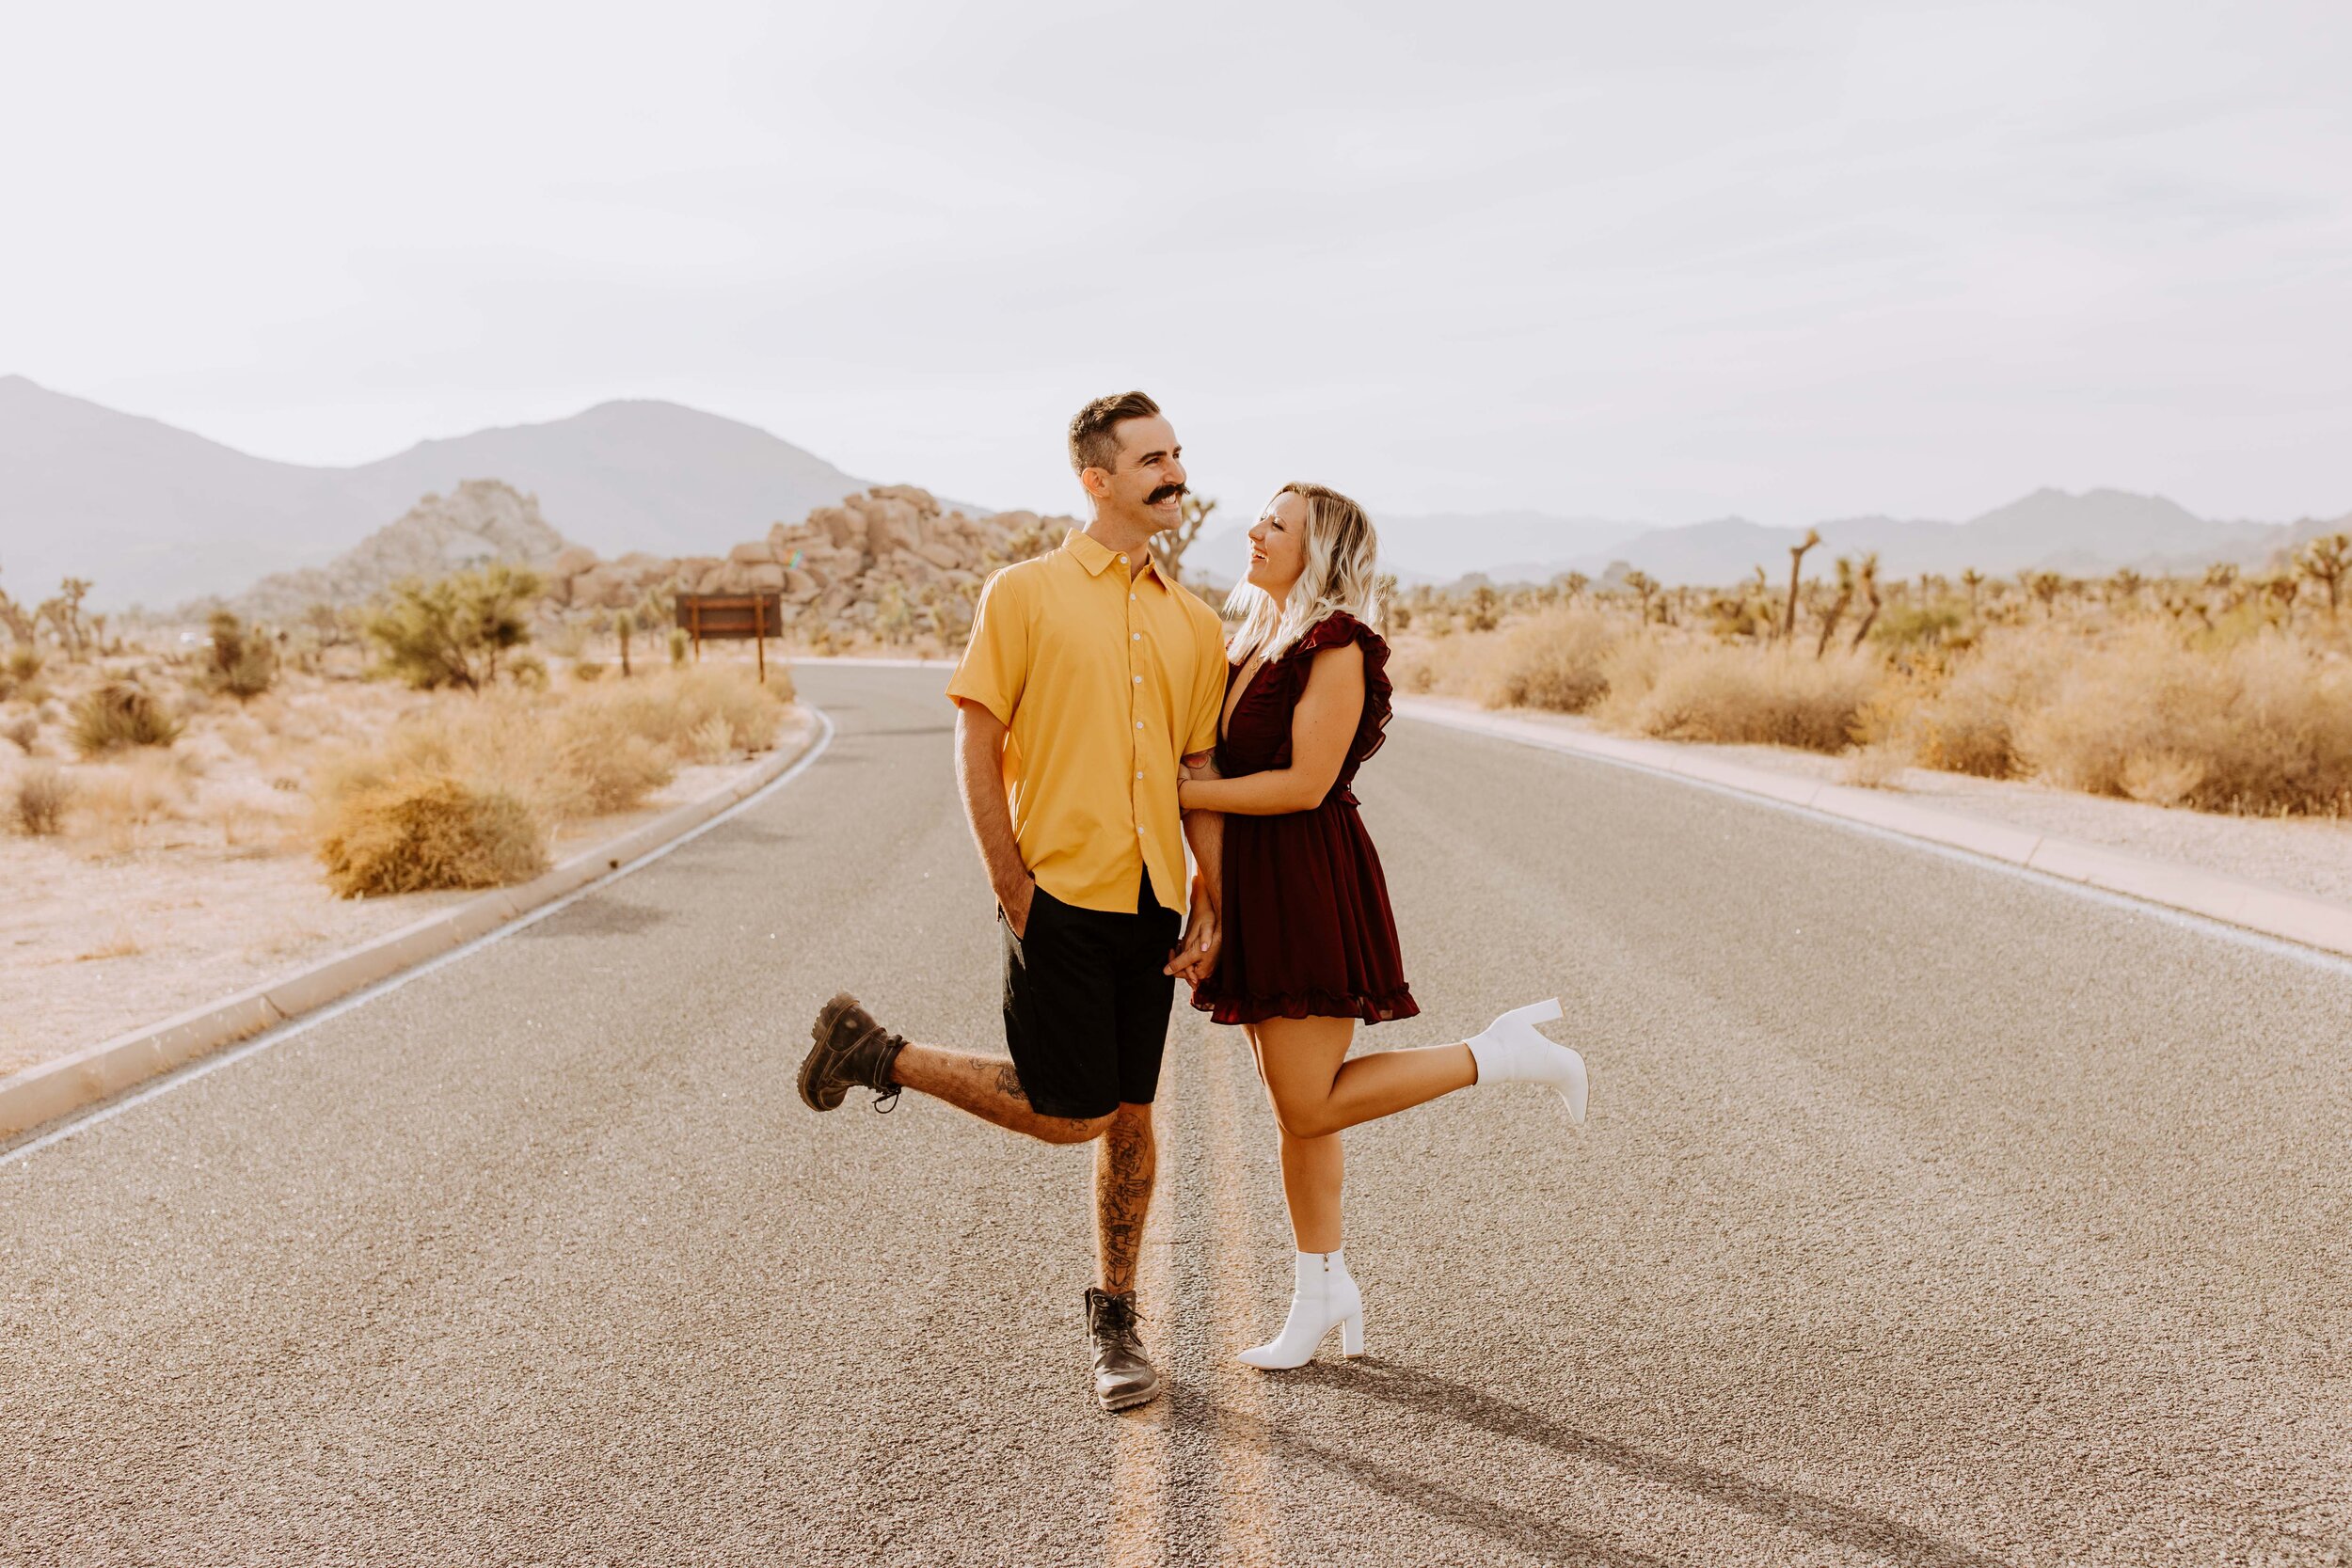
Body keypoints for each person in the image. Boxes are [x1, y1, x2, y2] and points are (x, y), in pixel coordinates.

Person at [800, 390, 1228, 1413]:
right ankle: (877, 1050)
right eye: (1151, 460)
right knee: (1072, 1111)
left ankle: (1116, 1322)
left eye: (1176, 455)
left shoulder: (1197, 622)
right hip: (1060, 891)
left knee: (1130, 1110)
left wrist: (1213, 889)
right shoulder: (1025, 593)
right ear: (1097, 479)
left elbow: (1196, 761)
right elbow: (976, 737)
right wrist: (1010, 882)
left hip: (1152, 899)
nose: (1174, 473)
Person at [1180, 483, 1589, 1370]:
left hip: (1306, 878)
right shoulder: (1250, 635)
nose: (1254, 530)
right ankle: (1320, 1293)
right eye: (1261, 517)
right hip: (1254, 881)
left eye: (1276, 525)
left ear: (1318, 549)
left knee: (1307, 1100)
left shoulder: (1337, 644)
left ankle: (1502, 1052)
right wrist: (1206, 885)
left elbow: (1303, 785)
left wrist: (1175, 795)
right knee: (1301, 1117)